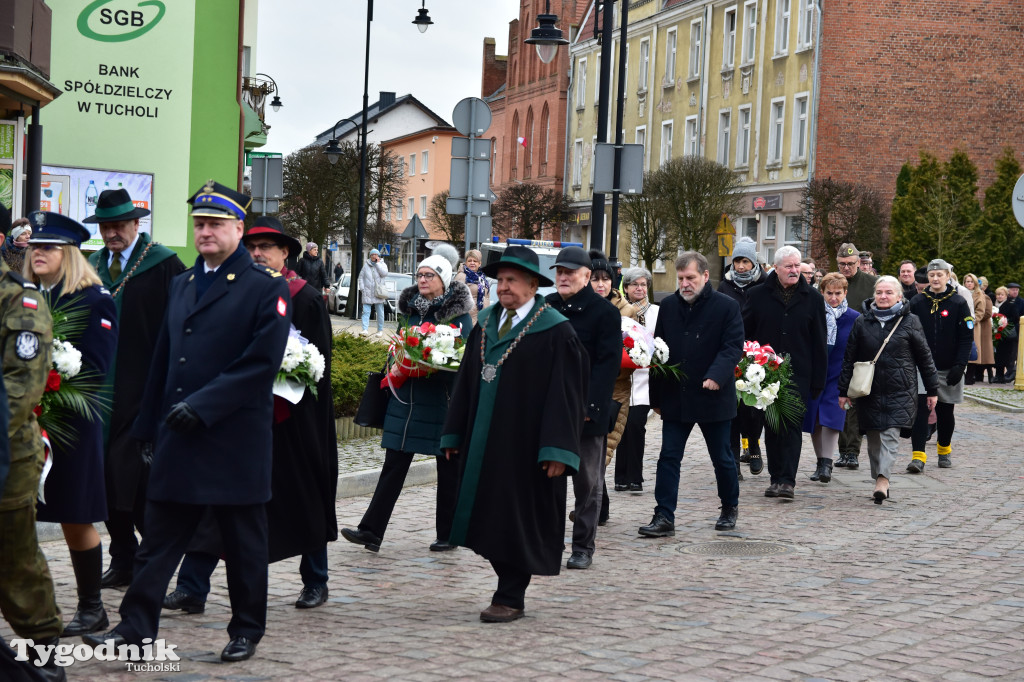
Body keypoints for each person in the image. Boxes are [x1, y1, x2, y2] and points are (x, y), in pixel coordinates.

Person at [84, 180, 291, 663]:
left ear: (238, 228)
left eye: (216, 224)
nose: (206, 232)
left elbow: (260, 363)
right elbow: (164, 360)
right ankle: (135, 627)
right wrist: (146, 428)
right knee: (158, 539)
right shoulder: (182, 283)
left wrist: (203, 406)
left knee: (242, 544)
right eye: (200, 224)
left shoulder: (265, 289)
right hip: (177, 436)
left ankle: (245, 629)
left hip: (233, 440)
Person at [163, 216, 338, 614]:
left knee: (303, 497)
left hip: (292, 419)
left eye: (267, 248)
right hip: (238, 415)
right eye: (252, 247)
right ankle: (192, 587)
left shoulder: (305, 297)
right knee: (216, 501)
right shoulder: (237, 291)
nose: (258, 254)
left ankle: (316, 580)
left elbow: (319, 364)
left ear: (285, 253)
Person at [440, 245, 588, 623]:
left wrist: (558, 448)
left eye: (511, 280)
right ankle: (506, 586)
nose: (502, 287)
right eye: (500, 280)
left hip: (527, 442)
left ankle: (510, 595)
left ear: (532, 284)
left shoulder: (555, 330)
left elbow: (566, 395)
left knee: (517, 517)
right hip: (484, 439)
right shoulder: (487, 321)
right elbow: (466, 383)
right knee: (488, 514)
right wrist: (454, 434)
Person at [85, 188, 186, 590]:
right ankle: (122, 558)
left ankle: (153, 561)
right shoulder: (91, 266)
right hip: (96, 392)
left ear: (136, 223)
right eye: (105, 226)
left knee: (137, 481)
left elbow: (182, 325)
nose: (112, 233)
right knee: (105, 481)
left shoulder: (164, 265)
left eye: (118, 225)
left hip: (143, 390)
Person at [341, 254, 473, 553]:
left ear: (445, 280)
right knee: (393, 465)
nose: (423, 280)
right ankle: (371, 531)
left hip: (442, 402)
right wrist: (397, 359)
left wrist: (430, 363)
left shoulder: (458, 317)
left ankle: (449, 533)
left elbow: (462, 360)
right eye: (420, 274)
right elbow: (399, 343)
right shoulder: (411, 310)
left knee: (448, 467)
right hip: (406, 400)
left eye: (429, 275)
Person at [25, 213, 118, 637]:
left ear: (70, 254)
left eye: (48, 247)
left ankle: (92, 607)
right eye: (34, 247)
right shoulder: (27, 297)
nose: (38, 253)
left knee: (74, 517)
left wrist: (49, 379)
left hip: (72, 426)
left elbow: (96, 370)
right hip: (25, 425)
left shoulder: (94, 298)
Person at [641, 251, 744, 535]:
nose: (685, 283)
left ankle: (728, 507)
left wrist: (716, 376)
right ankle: (664, 516)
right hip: (677, 396)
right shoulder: (669, 305)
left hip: (713, 395)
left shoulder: (726, 306)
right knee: (668, 457)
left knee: (722, 457)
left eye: (691, 278)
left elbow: (733, 346)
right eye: (681, 278)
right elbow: (659, 351)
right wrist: (656, 398)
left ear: (705, 276)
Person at [0, 214, 62, 680]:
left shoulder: (20, 303)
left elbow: (21, 389)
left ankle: (43, 646)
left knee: (16, 558)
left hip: (7, 455)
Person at [545, 245, 620, 570]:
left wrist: (590, 406)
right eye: (559, 272)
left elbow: (607, 365)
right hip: (549, 410)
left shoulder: (604, 313)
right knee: (546, 479)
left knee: (588, 482)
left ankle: (582, 546)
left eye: (569, 272)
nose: (562, 277)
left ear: (587, 276)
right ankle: (546, 542)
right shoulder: (546, 307)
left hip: (587, 411)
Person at [839, 277, 939, 503]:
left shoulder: (911, 321)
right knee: (874, 440)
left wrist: (932, 389)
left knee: (890, 436)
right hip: (869, 391)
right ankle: (879, 478)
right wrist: (843, 391)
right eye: (880, 292)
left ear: (899, 296)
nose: (883, 296)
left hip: (901, 390)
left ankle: (883, 481)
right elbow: (849, 359)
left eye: (888, 292)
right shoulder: (862, 322)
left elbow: (925, 357)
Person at [743, 246, 827, 499]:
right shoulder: (757, 295)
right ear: (776, 268)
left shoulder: (812, 298)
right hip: (765, 373)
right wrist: (747, 369)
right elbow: (746, 335)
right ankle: (775, 478)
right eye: (788, 266)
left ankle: (787, 481)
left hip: (798, 373)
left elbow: (819, 340)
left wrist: (818, 379)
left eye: (797, 265)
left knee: (791, 426)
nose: (794, 270)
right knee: (772, 426)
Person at [905, 259, 973, 473]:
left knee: (945, 411)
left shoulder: (958, 303)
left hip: (948, 367)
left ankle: (944, 449)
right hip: (922, 367)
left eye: (939, 275)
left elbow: (966, 337)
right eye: (932, 275)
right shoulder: (917, 302)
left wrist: (960, 365)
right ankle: (918, 456)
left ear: (947, 277)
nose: (935, 279)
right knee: (920, 411)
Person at [587, 251, 634, 527]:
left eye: (606, 279)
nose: (601, 284)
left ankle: (593, 509)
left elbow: (637, 354)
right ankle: (598, 506)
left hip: (615, 390)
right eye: (595, 279)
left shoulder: (626, 310)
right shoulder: (579, 307)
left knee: (604, 450)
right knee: (592, 453)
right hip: (585, 387)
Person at [718, 236, 768, 477]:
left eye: (745, 261)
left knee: (753, 410)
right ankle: (734, 463)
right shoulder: (724, 285)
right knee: (732, 410)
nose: (740, 266)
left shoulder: (764, 284)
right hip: (730, 350)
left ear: (753, 262)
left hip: (756, 353)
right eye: (737, 261)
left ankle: (754, 446)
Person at [803, 273, 859, 484]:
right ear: (822, 293)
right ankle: (821, 463)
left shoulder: (854, 317)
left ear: (845, 293)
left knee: (833, 419)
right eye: (829, 293)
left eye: (838, 293)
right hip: (816, 372)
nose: (833, 298)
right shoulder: (814, 314)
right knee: (815, 419)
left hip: (840, 373)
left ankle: (827, 463)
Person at [614, 266, 659, 494]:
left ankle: (636, 477)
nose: (639, 288)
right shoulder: (620, 311)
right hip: (622, 379)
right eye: (634, 285)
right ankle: (620, 476)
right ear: (627, 288)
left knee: (636, 426)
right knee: (620, 427)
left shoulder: (657, 313)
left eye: (643, 284)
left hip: (645, 380)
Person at [833, 243, 876, 470]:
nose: (846, 268)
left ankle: (852, 451)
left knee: (855, 400)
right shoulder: (832, 283)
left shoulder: (871, 284)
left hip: (862, 349)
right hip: (838, 349)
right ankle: (842, 450)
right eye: (842, 264)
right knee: (840, 400)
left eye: (850, 264)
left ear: (859, 263)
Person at [963, 273, 994, 385]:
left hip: (973, 325)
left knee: (973, 352)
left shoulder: (979, 294)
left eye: (971, 281)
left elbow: (981, 312)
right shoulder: (961, 293)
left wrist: (971, 320)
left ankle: (970, 377)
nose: (969, 283)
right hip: (960, 324)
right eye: (967, 281)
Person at [453, 247, 491, 325]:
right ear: (466, 263)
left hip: (483, 317)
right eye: (469, 261)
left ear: (479, 263)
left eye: (475, 261)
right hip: (469, 319)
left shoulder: (482, 277)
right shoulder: (461, 276)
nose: (472, 263)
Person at [358, 247, 389, 335]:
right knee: (366, 311)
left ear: (378, 255)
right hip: (367, 292)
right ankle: (365, 329)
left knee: (380, 312)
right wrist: (362, 288)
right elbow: (361, 277)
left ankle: (380, 330)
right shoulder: (366, 265)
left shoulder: (382, 264)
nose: (373, 256)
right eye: (372, 254)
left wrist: (378, 264)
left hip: (378, 292)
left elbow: (384, 273)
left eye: (375, 254)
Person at [993, 286, 1017, 383]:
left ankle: (1003, 376)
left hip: (1006, 334)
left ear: (1006, 296)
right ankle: (998, 375)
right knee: (997, 356)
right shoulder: (994, 305)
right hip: (995, 334)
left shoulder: (1010, 305)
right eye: (998, 295)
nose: (999, 296)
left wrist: (1004, 322)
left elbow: (1015, 318)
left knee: (1004, 356)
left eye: (1002, 295)